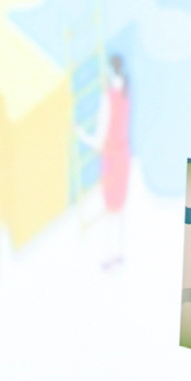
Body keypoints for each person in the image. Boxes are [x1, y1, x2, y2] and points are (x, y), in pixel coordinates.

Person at [75, 53, 131, 269]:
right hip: (123, 155)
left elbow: (98, 141)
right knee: (119, 207)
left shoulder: (108, 98)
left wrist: (81, 134)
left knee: (111, 209)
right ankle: (118, 252)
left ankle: (110, 254)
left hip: (112, 156)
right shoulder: (126, 92)